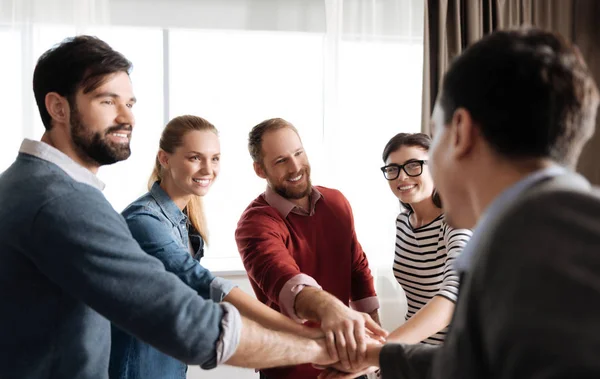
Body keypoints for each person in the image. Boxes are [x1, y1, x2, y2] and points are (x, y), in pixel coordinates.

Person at [0, 35, 339, 379]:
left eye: (130, 104)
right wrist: (316, 347)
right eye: (107, 101)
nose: (126, 118)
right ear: (58, 107)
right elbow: (189, 320)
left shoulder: (25, 184)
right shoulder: (64, 201)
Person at [319, 27, 600, 379]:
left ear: (461, 132)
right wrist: (380, 356)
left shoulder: (521, 248)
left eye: (435, 135)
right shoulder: (540, 231)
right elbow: (473, 365)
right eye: (392, 169)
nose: (404, 176)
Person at [110, 115, 324, 379]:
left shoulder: (184, 220)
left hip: (170, 362)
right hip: (138, 366)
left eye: (215, 158)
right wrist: (303, 334)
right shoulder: (143, 221)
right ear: (165, 159)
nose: (207, 169)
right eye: (194, 158)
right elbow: (203, 282)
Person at [235, 118, 387, 379]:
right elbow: (287, 281)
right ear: (260, 170)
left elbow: (357, 268)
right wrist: (333, 310)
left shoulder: (337, 202)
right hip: (291, 366)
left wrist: (374, 339)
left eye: (298, 153)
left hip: (349, 357)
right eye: (281, 160)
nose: (295, 167)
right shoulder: (255, 223)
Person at [380, 133, 471, 345]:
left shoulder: (456, 221)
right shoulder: (403, 222)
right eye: (393, 169)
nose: (402, 177)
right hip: (415, 350)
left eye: (413, 165)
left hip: (451, 355)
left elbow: (454, 295)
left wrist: (387, 348)